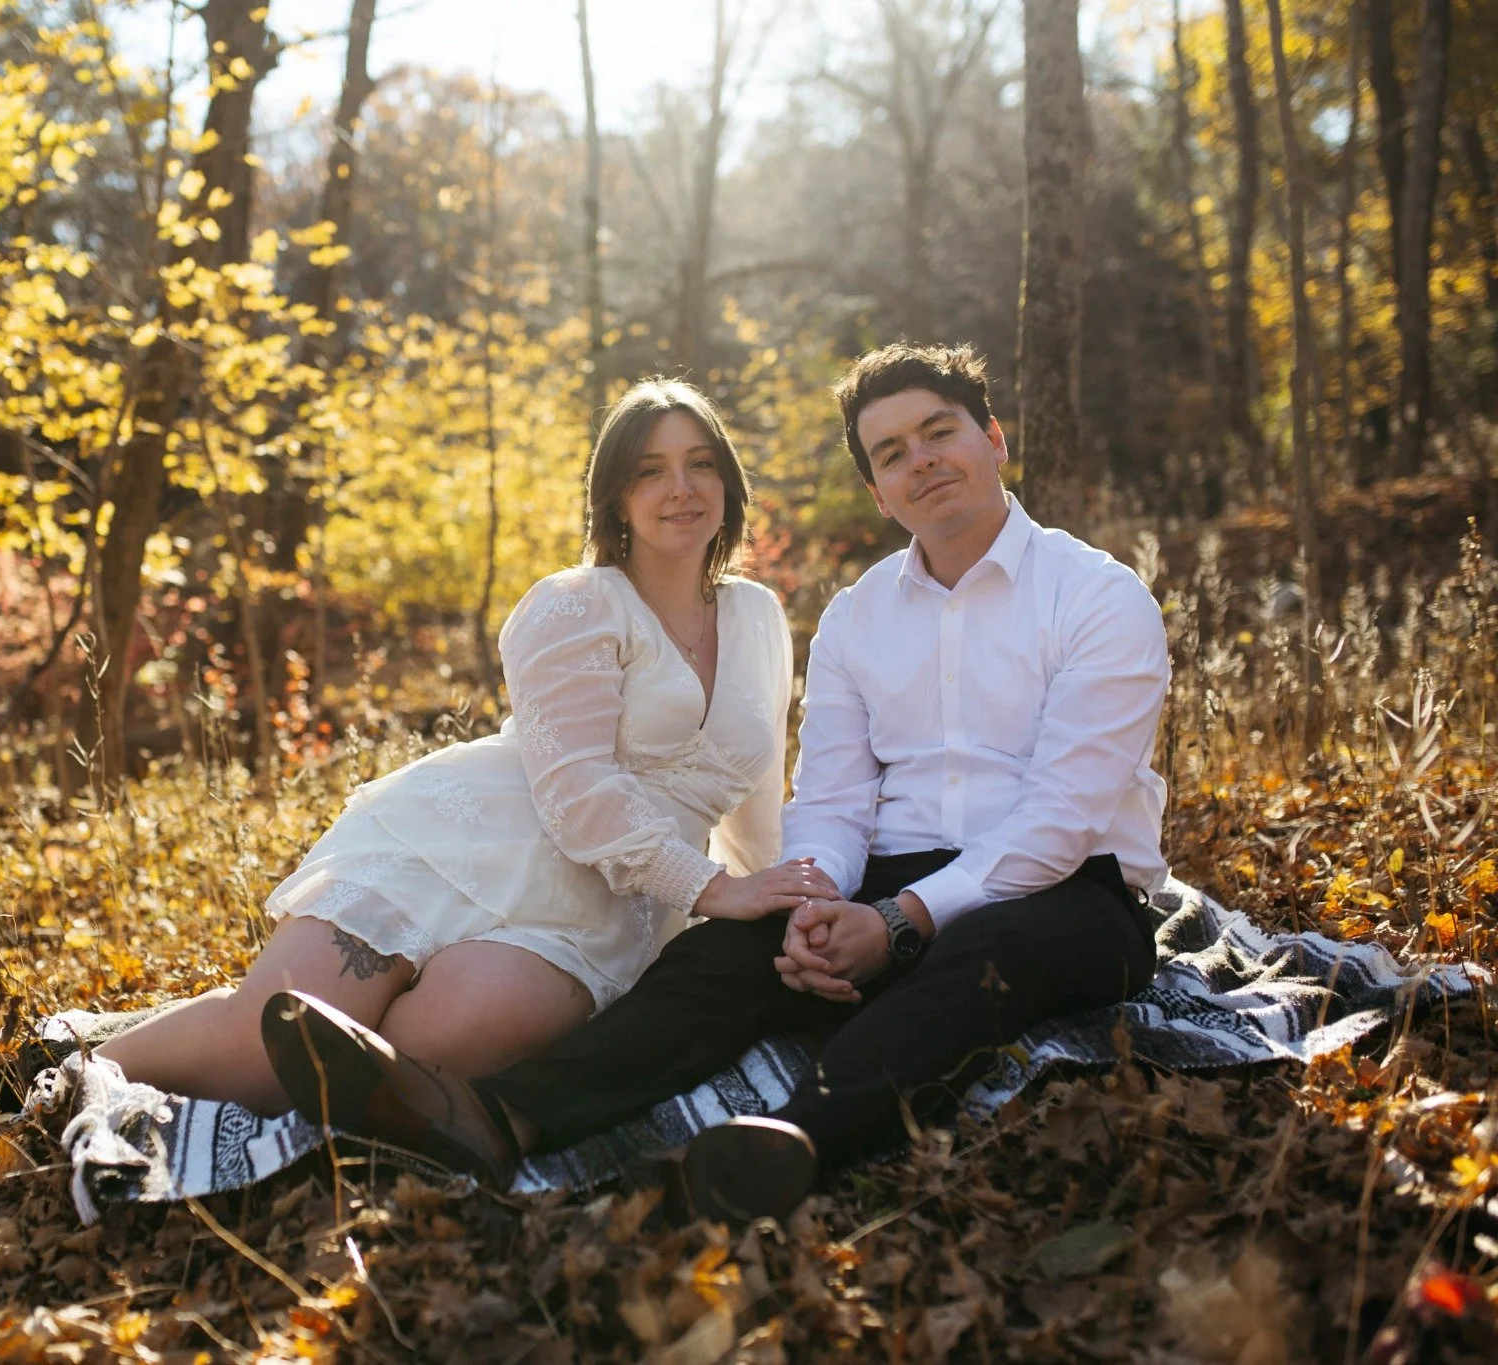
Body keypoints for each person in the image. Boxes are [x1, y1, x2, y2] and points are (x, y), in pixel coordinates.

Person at [265, 343, 1170, 1220]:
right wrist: (814, 897)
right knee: (718, 953)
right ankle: (497, 1115)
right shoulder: (857, 619)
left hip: (1070, 893)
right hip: (890, 880)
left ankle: (777, 1148)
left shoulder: (1097, 596)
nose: (921, 461)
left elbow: (1061, 818)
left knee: (988, 954)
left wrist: (898, 924)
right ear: (876, 488)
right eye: (892, 452)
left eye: (940, 432)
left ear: (994, 439)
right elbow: (834, 800)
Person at [92, 377, 822, 1120]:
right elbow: (577, 793)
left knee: (427, 1053)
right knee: (270, 1052)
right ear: (616, 498)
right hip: (469, 841)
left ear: (728, 481)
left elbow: (757, 802)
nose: (681, 487)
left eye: (701, 463)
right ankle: (83, 1067)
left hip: (610, 912)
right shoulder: (576, 604)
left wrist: (775, 902)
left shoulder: (759, 616)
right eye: (650, 470)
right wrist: (711, 887)